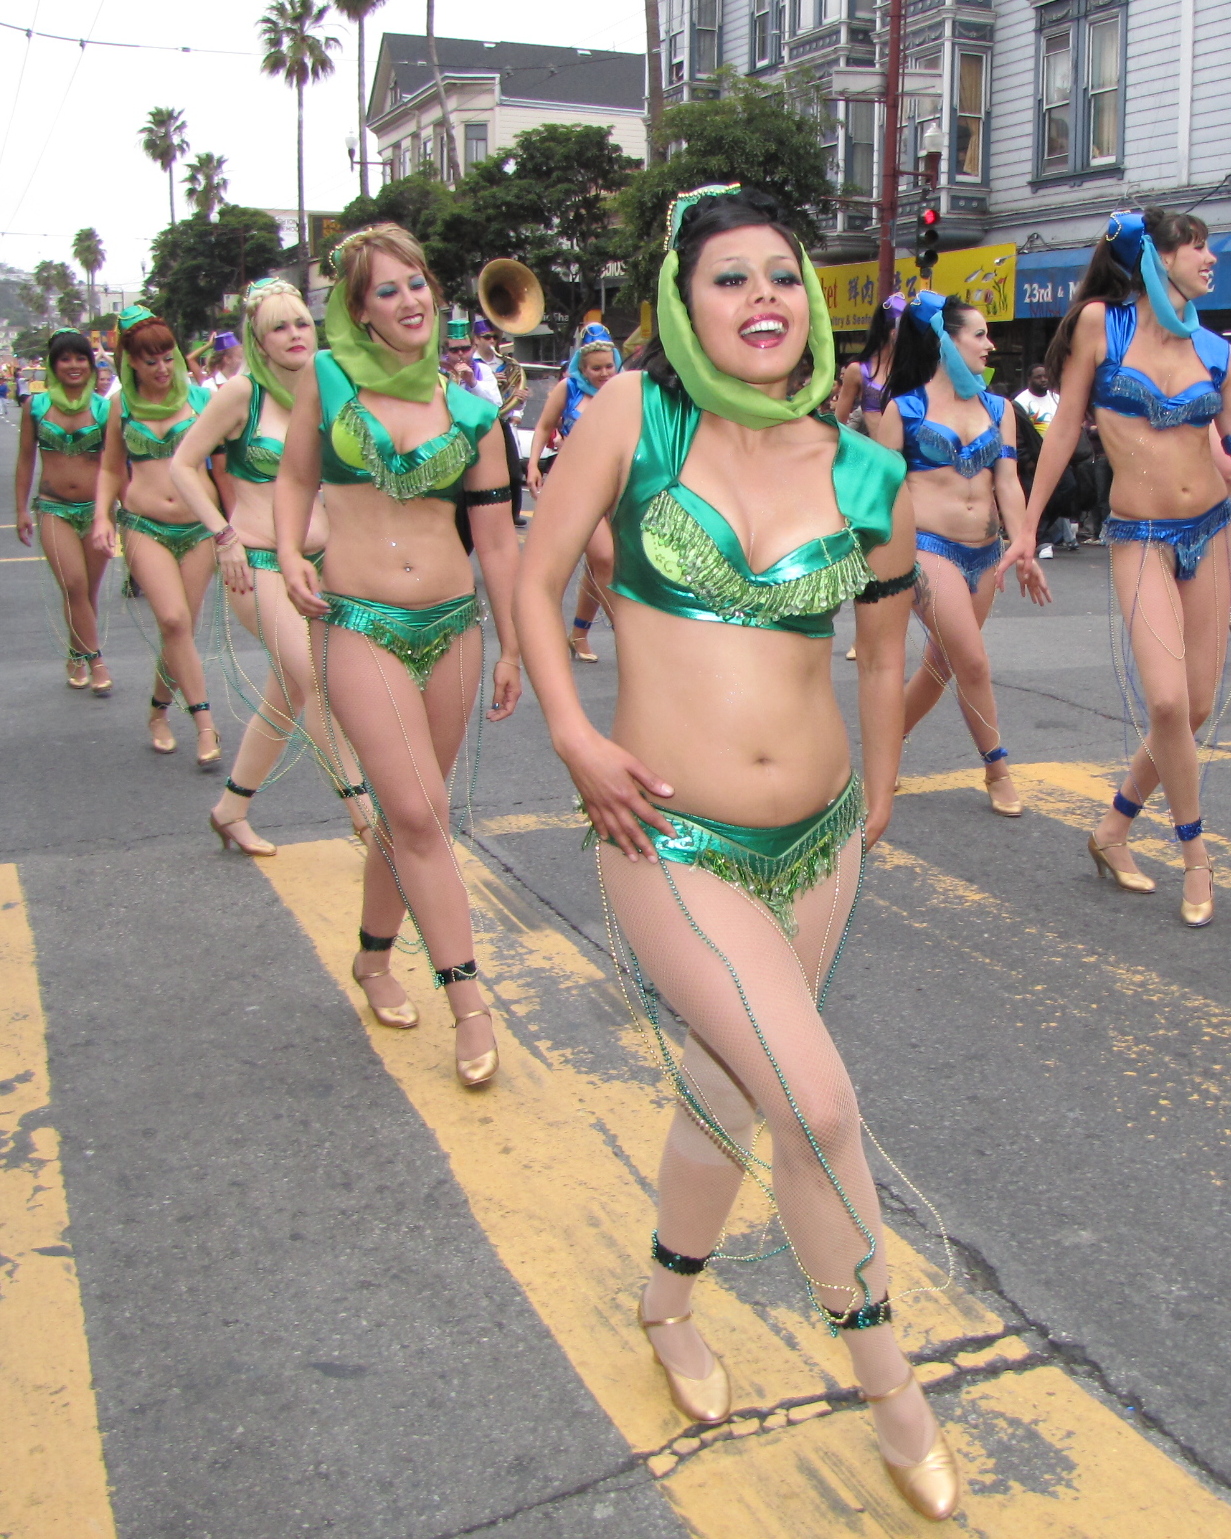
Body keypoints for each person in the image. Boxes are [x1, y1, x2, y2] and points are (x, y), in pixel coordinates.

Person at [515, 184, 958, 1522]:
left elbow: (880, 647)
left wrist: (877, 789)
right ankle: (892, 1391)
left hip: (819, 839)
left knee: (725, 1085)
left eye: (780, 275)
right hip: (669, 834)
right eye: (727, 278)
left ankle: (663, 1303)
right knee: (813, 1104)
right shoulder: (629, 420)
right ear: (680, 301)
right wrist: (573, 737)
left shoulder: (864, 462)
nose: (761, 296)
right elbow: (535, 583)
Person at [275, 223, 522, 1083]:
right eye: (387, 290)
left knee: (405, 814)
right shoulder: (326, 381)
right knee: (421, 815)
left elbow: (497, 543)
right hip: (358, 621)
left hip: (453, 627)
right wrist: (282, 554)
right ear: (360, 311)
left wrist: (512, 645)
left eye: (417, 282)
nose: (409, 300)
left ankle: (374, 957)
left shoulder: (473, 412)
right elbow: (294, 478)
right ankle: (471, 1004)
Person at [1017, 208, 1230, 927]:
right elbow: (1060, 433)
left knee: (1196, 704)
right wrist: (1024, 527)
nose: (1209, 257)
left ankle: (1112, 828)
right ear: (1158, 257)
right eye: (1196, 246)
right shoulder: (1099, 327)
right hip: (1139, 534)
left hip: (1212, 528)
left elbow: (1223, 444)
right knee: (1167, 703)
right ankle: (1195, 855)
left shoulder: (1215, 347)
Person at [170, 277, 374, 856]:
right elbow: (184, 465)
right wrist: (224, 534)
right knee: (318, 686)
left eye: (301, 324)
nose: (293, 335)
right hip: (256, 565)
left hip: (325, 565)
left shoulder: (332, 385)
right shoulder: (240, 394)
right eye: (278, 327)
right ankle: (369, 823)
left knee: (287, 692)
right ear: (258, 341)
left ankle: (230, 808)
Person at [878, 292, 1049, 817]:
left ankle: (884, 750)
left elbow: (1008, 484)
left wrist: (1023, 546)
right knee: (972, 660)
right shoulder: (902, 411)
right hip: (927, 551)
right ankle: (997, 768)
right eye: (978, 334)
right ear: (945, 342)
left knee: (942, 664)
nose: (990, 344)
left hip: (984, 554)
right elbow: (881, 496)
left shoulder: (998, 409)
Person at [92, 307, 223, 766]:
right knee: (172, 620)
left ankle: (157, 711)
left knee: (181, 626)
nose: (163, 369)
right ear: (131, 363)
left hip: (200, 527)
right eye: (150, 361)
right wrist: (102, 517)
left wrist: (232, 531)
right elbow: (111, 468)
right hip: (144, 524)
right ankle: (206, 723)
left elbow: (225, 475)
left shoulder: (205, 402)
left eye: (168, 357)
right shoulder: (120, 407)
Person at [14, 329, 113, 693]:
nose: (73, 365)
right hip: (53, 508)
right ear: (54, 366)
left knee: (87, 591)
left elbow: (115, 466)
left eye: (80, 359)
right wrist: (21, 510)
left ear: (91, 364)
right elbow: (25, 460)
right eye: (65, 359)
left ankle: (76, 652)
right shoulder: (36, 407)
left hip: (98, 512)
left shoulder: (105, 408)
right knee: (73, 584)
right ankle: (97, 660)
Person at [525, 324, 621, 661]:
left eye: (609, 366)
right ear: (582, 367)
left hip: (617, 485)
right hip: (577, 486)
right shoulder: (568, 390)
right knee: (604, 557)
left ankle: (579, 634)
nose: (604, 373)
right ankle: (625, 635)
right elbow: (543, 426)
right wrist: (533, 464)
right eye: (596, 368)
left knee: (602, 564)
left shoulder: (623, 390)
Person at [473, 316, 529, 526]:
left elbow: (514, 398)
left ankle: (513, 514)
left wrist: (519, 400)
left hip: (501, 420)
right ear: (476, 339)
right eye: (486, 337)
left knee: (514, 473)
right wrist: (488, 383)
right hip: (478, 421)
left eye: (494, 337)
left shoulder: (506, 364)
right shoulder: (473, 363)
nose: (491, 342)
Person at [834, 293, 904, 436]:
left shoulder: (910, 368)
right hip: (876, 453)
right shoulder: (858, 370)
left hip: (909, 454)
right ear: (893, 333)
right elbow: (839, 423)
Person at [1013, 363, 1060, 435]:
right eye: (1038, 377)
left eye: (1045, 376)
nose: (1043, 380)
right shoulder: (1020, 402)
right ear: (1029, 379)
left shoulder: (1057, 398)